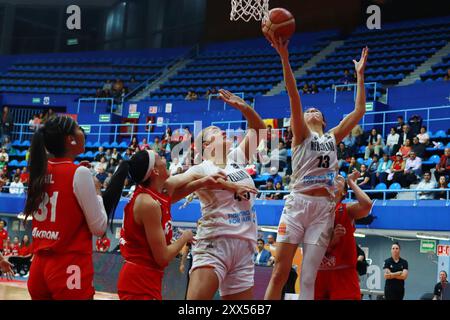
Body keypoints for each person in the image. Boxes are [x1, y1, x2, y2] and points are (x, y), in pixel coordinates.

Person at [264, 36, 368, 300]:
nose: (310, 110)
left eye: (315, 110)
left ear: (322, 119)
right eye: (307, 110)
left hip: (323, 210)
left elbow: (358, 111)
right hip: (298, 204)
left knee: (309, 276)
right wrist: (284, 57)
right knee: (280, 271)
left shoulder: (332, 136)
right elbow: (293, 92)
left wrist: (360, 75)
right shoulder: (301, 134)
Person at [185, 89, 265, 300]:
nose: (222, 131)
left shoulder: (236, 158)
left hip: (245, 246)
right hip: (216, 243)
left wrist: (244, 108)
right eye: (214, 131)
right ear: (206, 146)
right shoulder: (201, 168)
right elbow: (171, 187)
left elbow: (259, 129)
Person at [24, 115, 108, 300]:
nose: (83, 132)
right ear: (70, 139)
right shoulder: (80, 173)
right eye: (78, 128)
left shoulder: (39, 170)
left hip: (39, 267)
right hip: (68, 265)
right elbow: (99, 228)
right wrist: (96, 191)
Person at [315, 171, 373, 300]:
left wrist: (351, 182)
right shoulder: (316, 210)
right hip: (319, 272)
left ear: (344, 192)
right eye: (333, 178)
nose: (335, 179)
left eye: (340, 179)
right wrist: (333, 241)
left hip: (343, 273)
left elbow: (367, 205)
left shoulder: (347, 209)